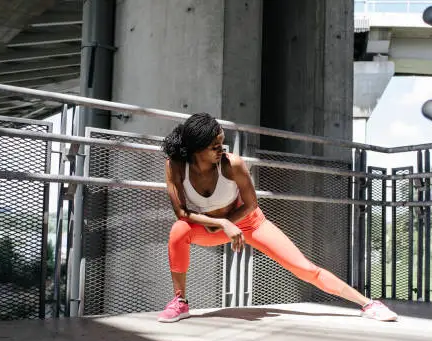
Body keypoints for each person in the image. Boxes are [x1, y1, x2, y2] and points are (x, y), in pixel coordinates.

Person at [158, 112, 397, 323]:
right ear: (196, 148)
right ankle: (180, 302)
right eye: (214, 146)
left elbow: (252, 204)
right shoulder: (176, 165)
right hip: (212, 228)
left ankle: (367, 303)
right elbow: (181, 213)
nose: (222, 149)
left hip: (249, 223)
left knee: (304, 268)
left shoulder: (232, 165)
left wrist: (230, 222)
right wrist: (221, 223)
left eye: (222, 142)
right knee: (179, 230)